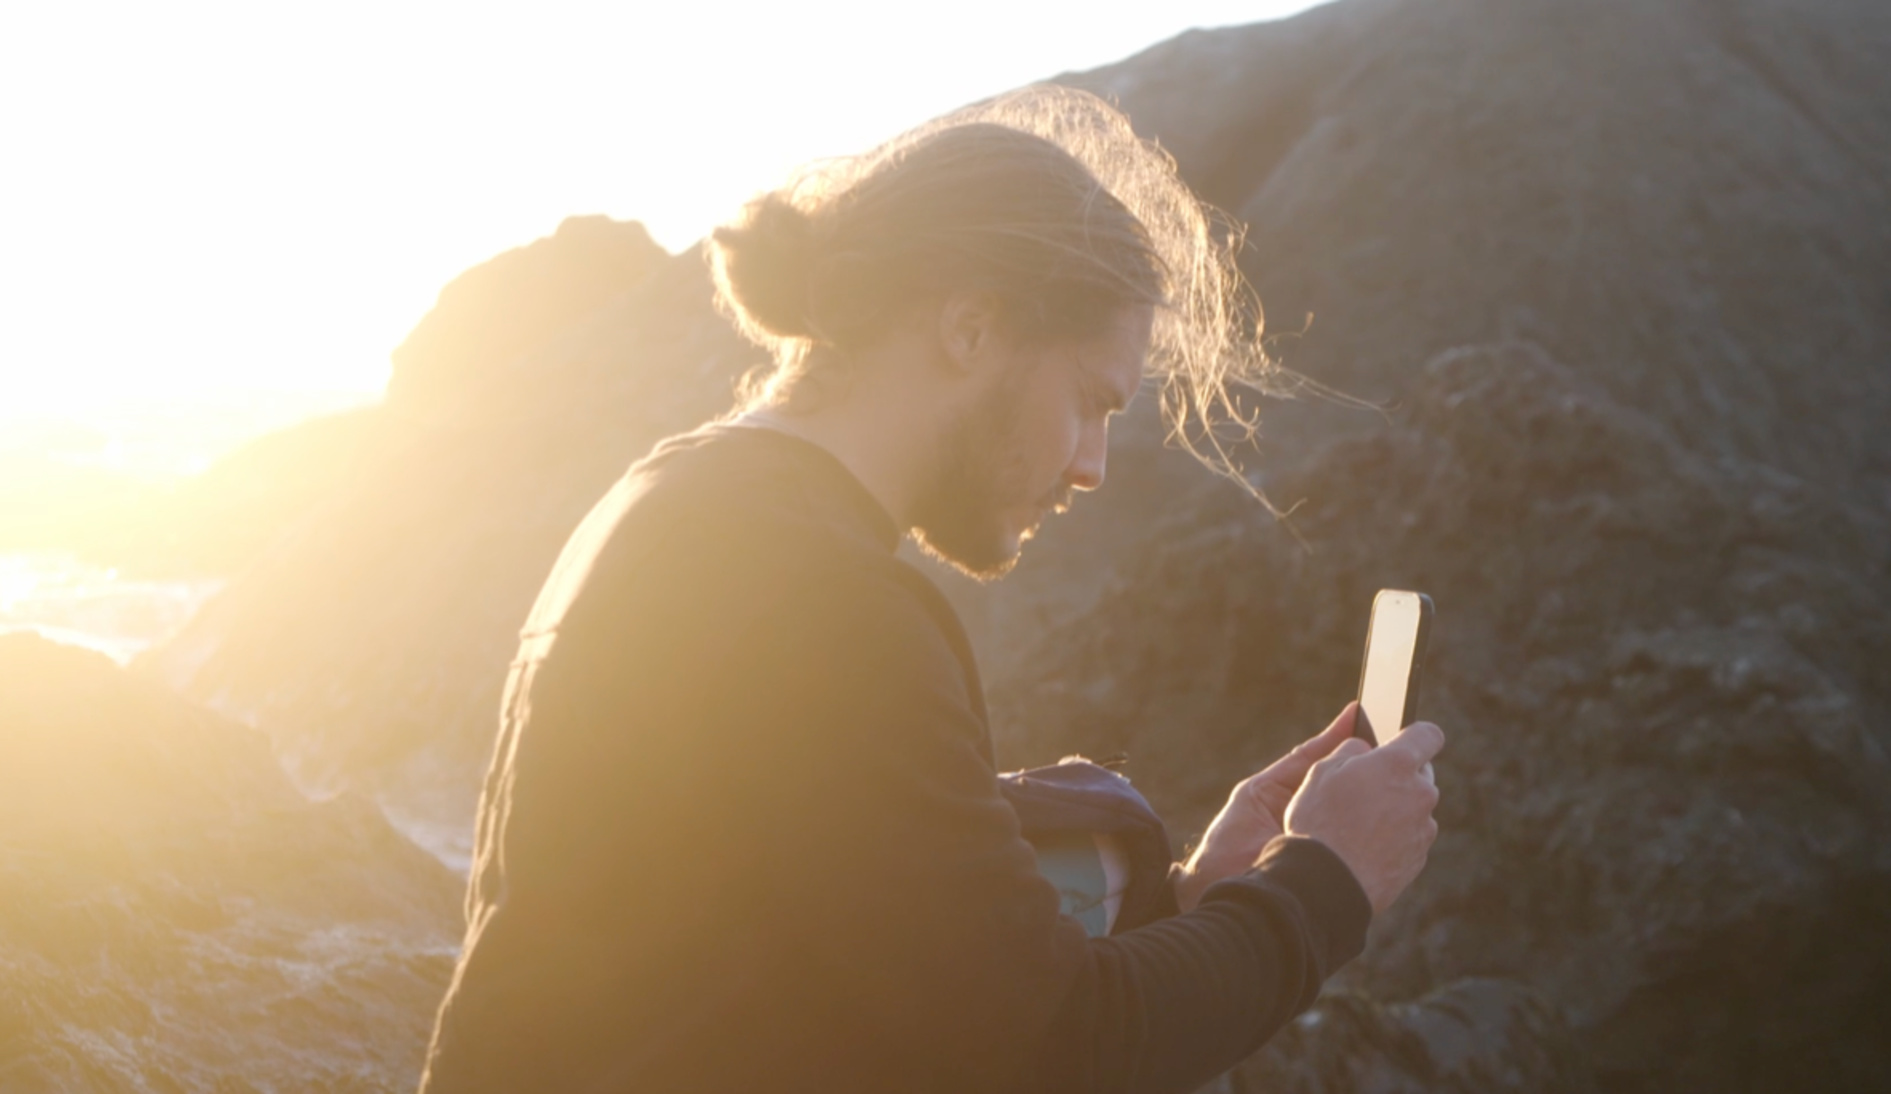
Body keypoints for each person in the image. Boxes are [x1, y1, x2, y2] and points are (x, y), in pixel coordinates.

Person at [416, 86, 1444, 1094]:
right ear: (970, 327)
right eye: (1091, 401)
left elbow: (866, 974)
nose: (1091, 465)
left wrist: (1203, 900)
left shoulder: (691, 504)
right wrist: (1324, 883)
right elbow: (1056, 1046)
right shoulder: (812, 598)